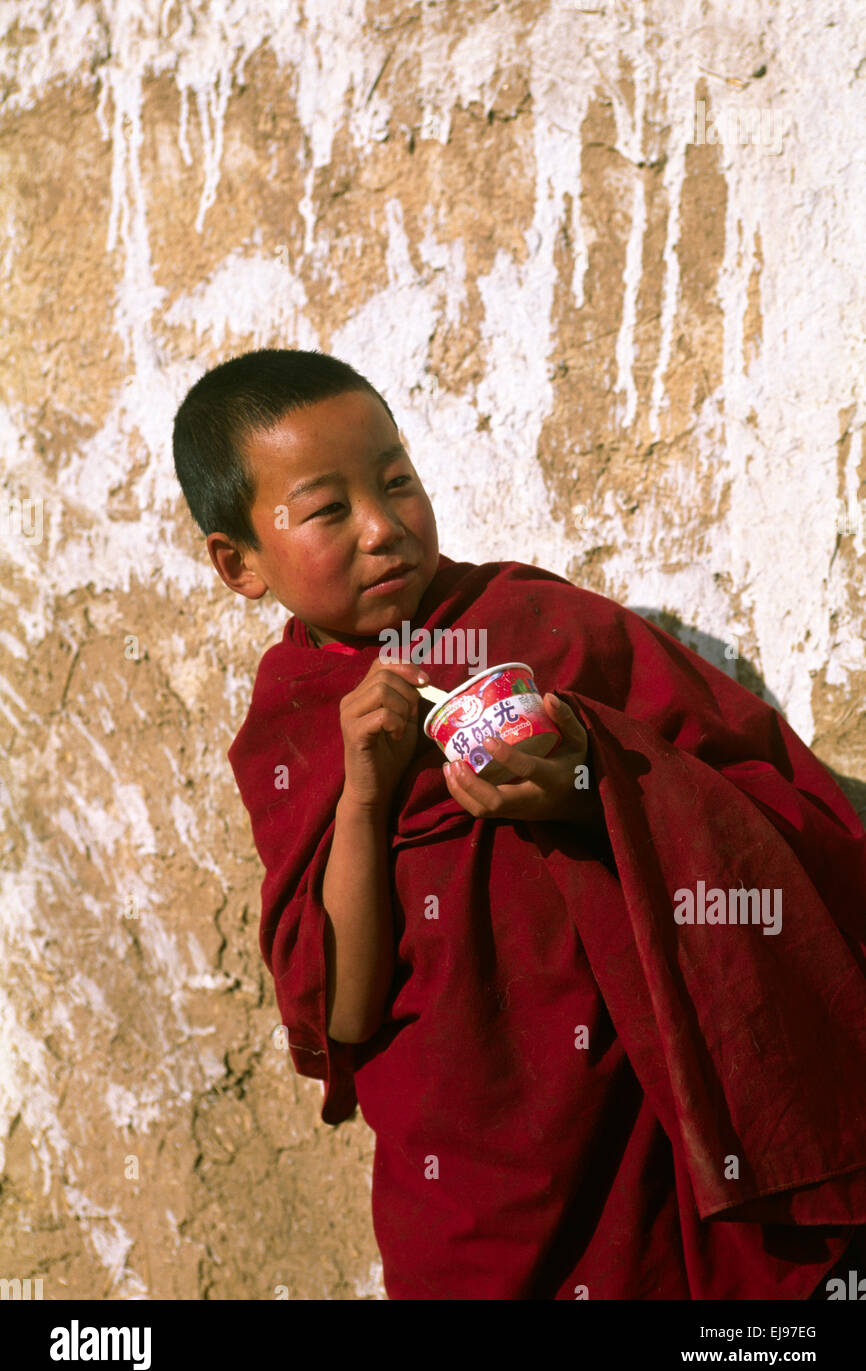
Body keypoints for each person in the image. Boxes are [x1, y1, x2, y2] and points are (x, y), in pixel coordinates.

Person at [173, 347, 866, 1300]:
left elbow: (777, 807)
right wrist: (368, 798)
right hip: (470, 1185)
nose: (385, 529)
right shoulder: (291, 729)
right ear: (237, 562)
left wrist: (598, 778)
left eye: (398, 482)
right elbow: (344, 1009)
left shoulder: (543, 626)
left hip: (645, 1143)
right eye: (329, 509)